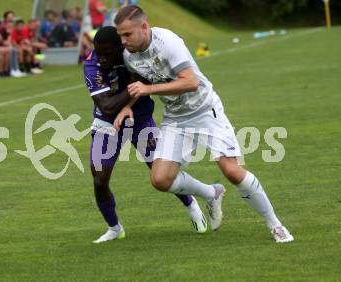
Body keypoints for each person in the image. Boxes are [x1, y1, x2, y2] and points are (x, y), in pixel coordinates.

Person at [114, 5, 294, 243]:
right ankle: (212, 193)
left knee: (231, 170)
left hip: (204, 110)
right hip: (176, 118)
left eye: (127, 34)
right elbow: (139, 83)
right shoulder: (129, 56)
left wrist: (149, 89)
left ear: (144, 27)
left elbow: (190, 82)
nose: (123, 41)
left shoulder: (168, 42)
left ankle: (275, 223)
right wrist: (128, 104)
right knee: (160, 180)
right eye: (120, 36)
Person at [84, 26, 209, 243]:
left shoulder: (133, 53)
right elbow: (107, 106)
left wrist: (138, 85)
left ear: (119, 48)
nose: (101, 59)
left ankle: (191, 205)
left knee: (162, 174)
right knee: (99, 179)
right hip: (107, 123)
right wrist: (135, 86)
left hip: (140, 119)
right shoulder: (91, 64)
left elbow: (152, 77)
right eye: (98, 52)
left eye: (106, 53)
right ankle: (114, 228)